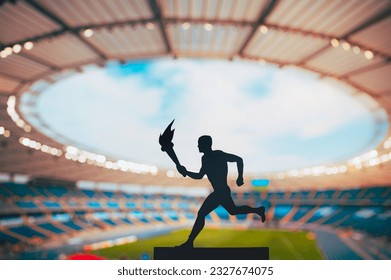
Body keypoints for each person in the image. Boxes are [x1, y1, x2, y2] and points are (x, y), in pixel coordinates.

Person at [176, 135, 266, 247]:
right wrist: (186, 172)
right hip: (220, 191)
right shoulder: (204, 158)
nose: (198, 146)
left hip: (221, 191)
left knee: (201, 214)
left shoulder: (219, 155)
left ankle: (189, 243)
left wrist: (240, 177)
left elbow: (239, 159)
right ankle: (258, 210)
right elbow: (200, 175)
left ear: (206, 145)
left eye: (200, 144)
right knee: (233, 211)